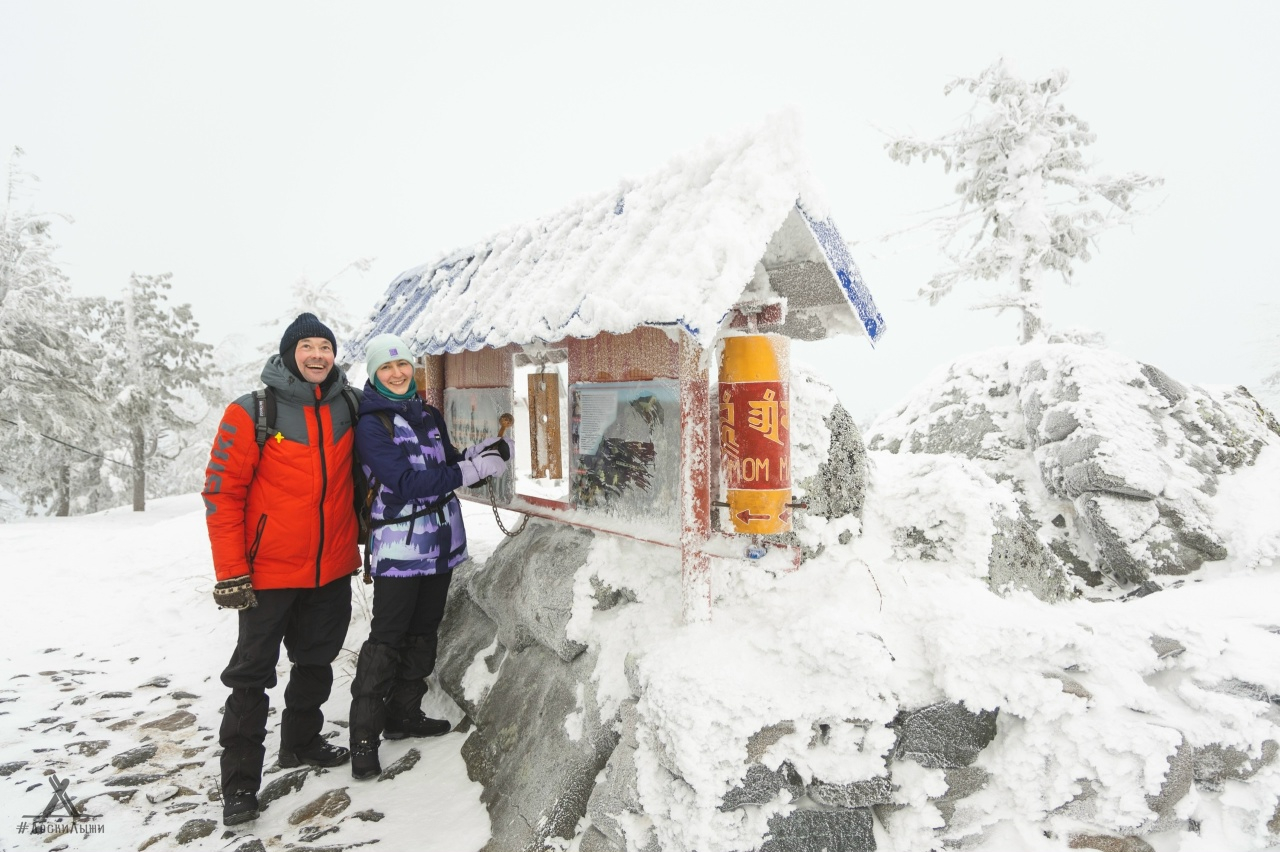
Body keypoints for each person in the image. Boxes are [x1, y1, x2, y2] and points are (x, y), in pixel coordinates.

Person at [202, 313, 361, 826]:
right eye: (307, 346)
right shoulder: (251, 411)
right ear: (290, 353)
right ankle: (239, 785)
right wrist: (232, 572)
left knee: (317, 660)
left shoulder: (350, 405)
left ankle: (301, 741)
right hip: (267, 573)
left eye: (325, 347)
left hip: (330, 566)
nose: (317, 355)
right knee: (251, 677)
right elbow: (221, 494)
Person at [348, 333, 510, 780]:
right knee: (387, 638)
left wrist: (480, 455)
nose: (397, 373)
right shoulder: (372, 425)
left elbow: (445, 464)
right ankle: (364, 738)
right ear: (374, 374)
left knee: (423, 632)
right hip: (399, 550)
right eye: (386, 367)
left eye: (402, 365)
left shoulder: (428, 414)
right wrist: (470, 469)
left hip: (440, 544)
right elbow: (406, 483)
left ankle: (404, 714)